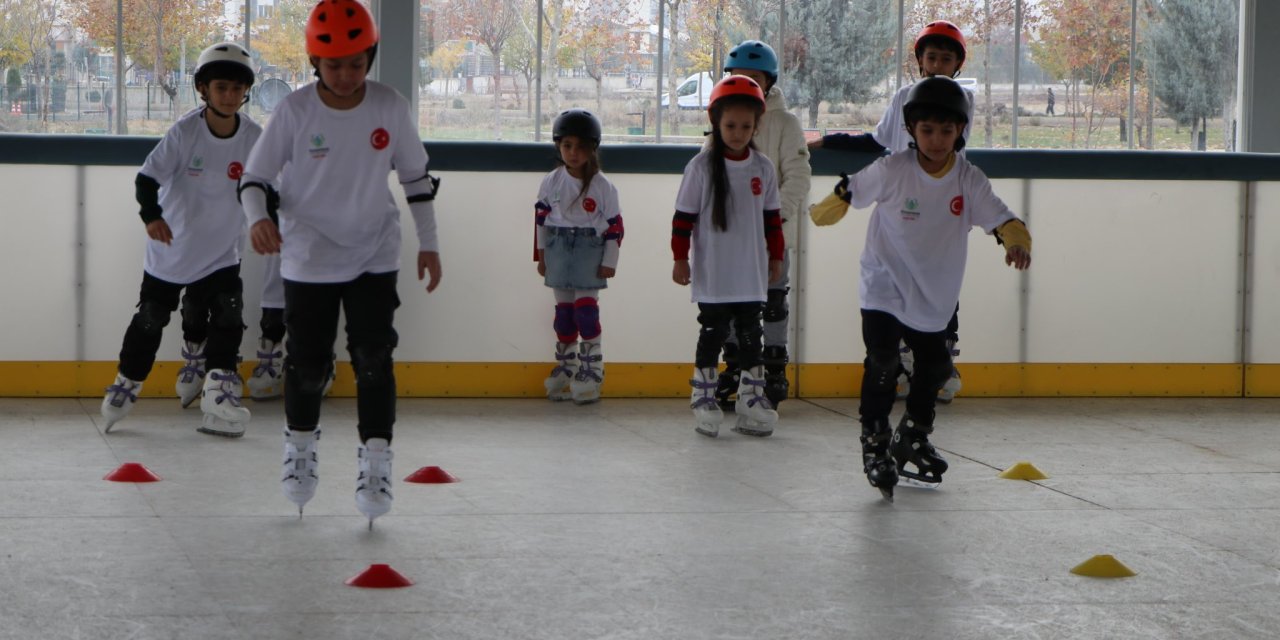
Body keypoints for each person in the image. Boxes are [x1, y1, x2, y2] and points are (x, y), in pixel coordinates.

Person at [238, 0, 443, 527]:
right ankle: (300, 449)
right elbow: (254, 179)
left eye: (357, 63)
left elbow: (416, 180)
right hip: (307, 257)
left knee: (374, 358)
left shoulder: (389, 107)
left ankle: (376, 461)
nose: (347, 75)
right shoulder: (296, 111)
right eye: (334, 65)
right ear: (314, 62)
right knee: (308, 367)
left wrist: (429, 244)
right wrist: (259, 218)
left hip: (374, 251)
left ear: (370, 57)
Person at [809, 77, 1031, 501]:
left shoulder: (968, 179)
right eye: (927, 130)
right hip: (883, 282)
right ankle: (874, 441)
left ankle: (912, 433)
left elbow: (1001, 218)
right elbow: (852, 189)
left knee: (936, 368)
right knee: (883, 360)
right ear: (911, 130)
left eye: (947, 131)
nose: (937, 139)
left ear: (960, 132)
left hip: (934, 294)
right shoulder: (894, 170)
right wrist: (826, 209)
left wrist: (1016, 241)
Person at [100, 42, 259, 438]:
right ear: (203, 89)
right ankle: (128, 381)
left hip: (222, 252)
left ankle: (219, 390)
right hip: (171, 249)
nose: (229, 96)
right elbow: (146, 180)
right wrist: (151, 218)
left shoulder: (255, 137)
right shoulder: (185, 132)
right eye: (221, 87)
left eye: (237, 89)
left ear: (246, 92)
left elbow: (270, 185)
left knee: (228, 313)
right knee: (152, 318)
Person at [809, 19, 971, 403]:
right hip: (902, 207)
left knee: (940, 285)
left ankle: (940, 360)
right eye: (931, 57)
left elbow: (951, 149)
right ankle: (900, 363)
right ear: (920, 60)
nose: (937, 64)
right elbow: (878, 141)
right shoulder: (903, 97)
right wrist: (827, 140)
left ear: (957, 65)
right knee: (892, 287)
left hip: (941, 209)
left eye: (946, 59)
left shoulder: (960, 99)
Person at [672, 76, 784, 438]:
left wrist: (776, 257)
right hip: (715, 274)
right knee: (713, 333)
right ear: (716, 123)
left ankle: (750, 400)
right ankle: (703, 398)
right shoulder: (701, 168)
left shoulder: (763, 168)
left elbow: (772, 220)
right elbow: (683, 219)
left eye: (746, 126)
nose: (738, 132)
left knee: (753, 337)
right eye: (730, 125)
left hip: (750, 273)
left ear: (757, 125)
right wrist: (680, 258)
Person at [712, 40, 811, 415]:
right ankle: (736, 366)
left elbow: (798, 176)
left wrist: (775, 218)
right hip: (731, 239)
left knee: (772, 302)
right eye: (738, 77)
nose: (745, 84)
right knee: (734, 304)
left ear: (768, 83)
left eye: (753, 78)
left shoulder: (784, 123)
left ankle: (772, 368)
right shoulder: (722, 122)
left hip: (772, 236)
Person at [536, 108, 623, 404]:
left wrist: (609, 261)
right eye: (567, 146)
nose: (573, 153)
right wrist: (541, 255)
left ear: (592, 148)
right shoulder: (551, 181)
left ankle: (591, 370)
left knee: (586, 312)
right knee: (563, 315)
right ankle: (566, 365)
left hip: (589, 249)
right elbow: (540, 221)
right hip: (559, 247)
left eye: (581, 146)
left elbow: (615, 227)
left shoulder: (603, 187)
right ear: (559, 146)